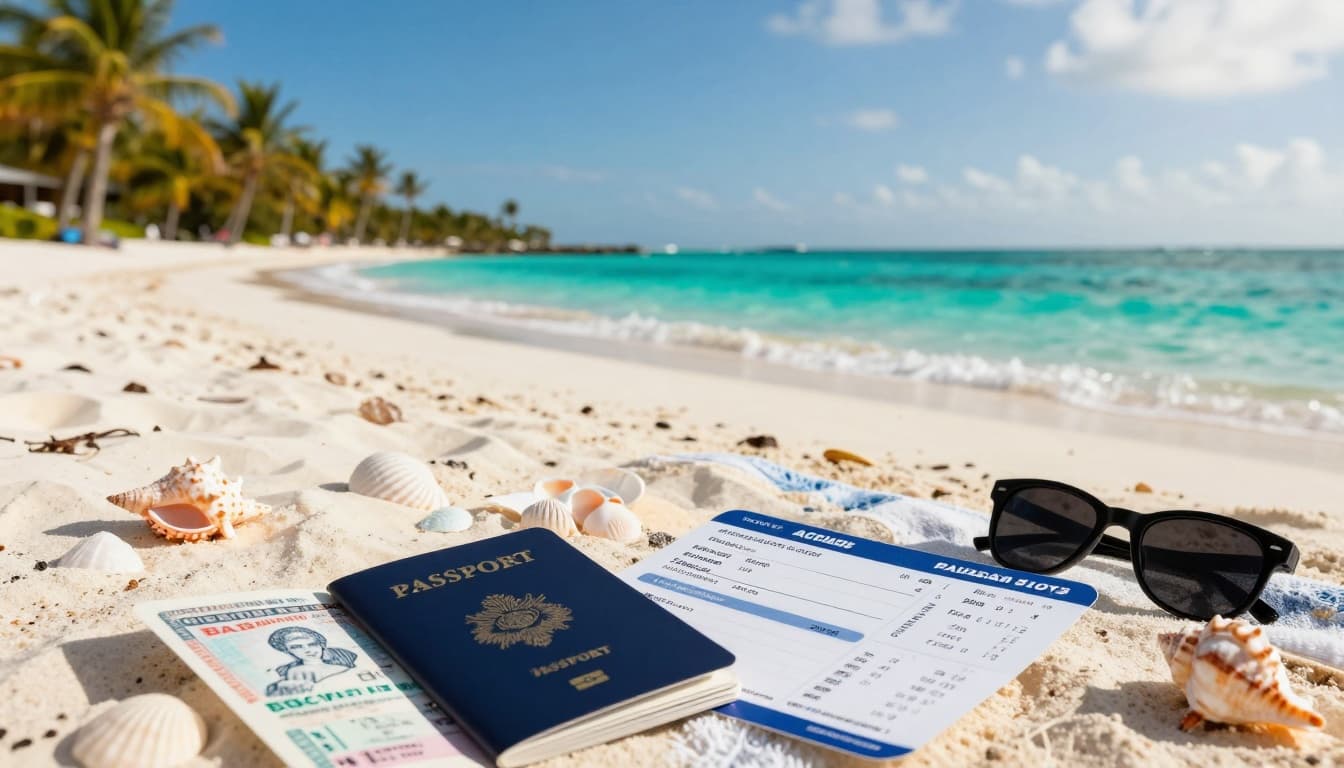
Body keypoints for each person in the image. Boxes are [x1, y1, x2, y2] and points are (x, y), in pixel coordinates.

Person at [264, 626, 357, 696]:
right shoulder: (286, 670)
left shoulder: (343, 656)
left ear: (321, 645)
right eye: (297, 647)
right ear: (287, 650)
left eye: (312, 644)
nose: (307, 650)